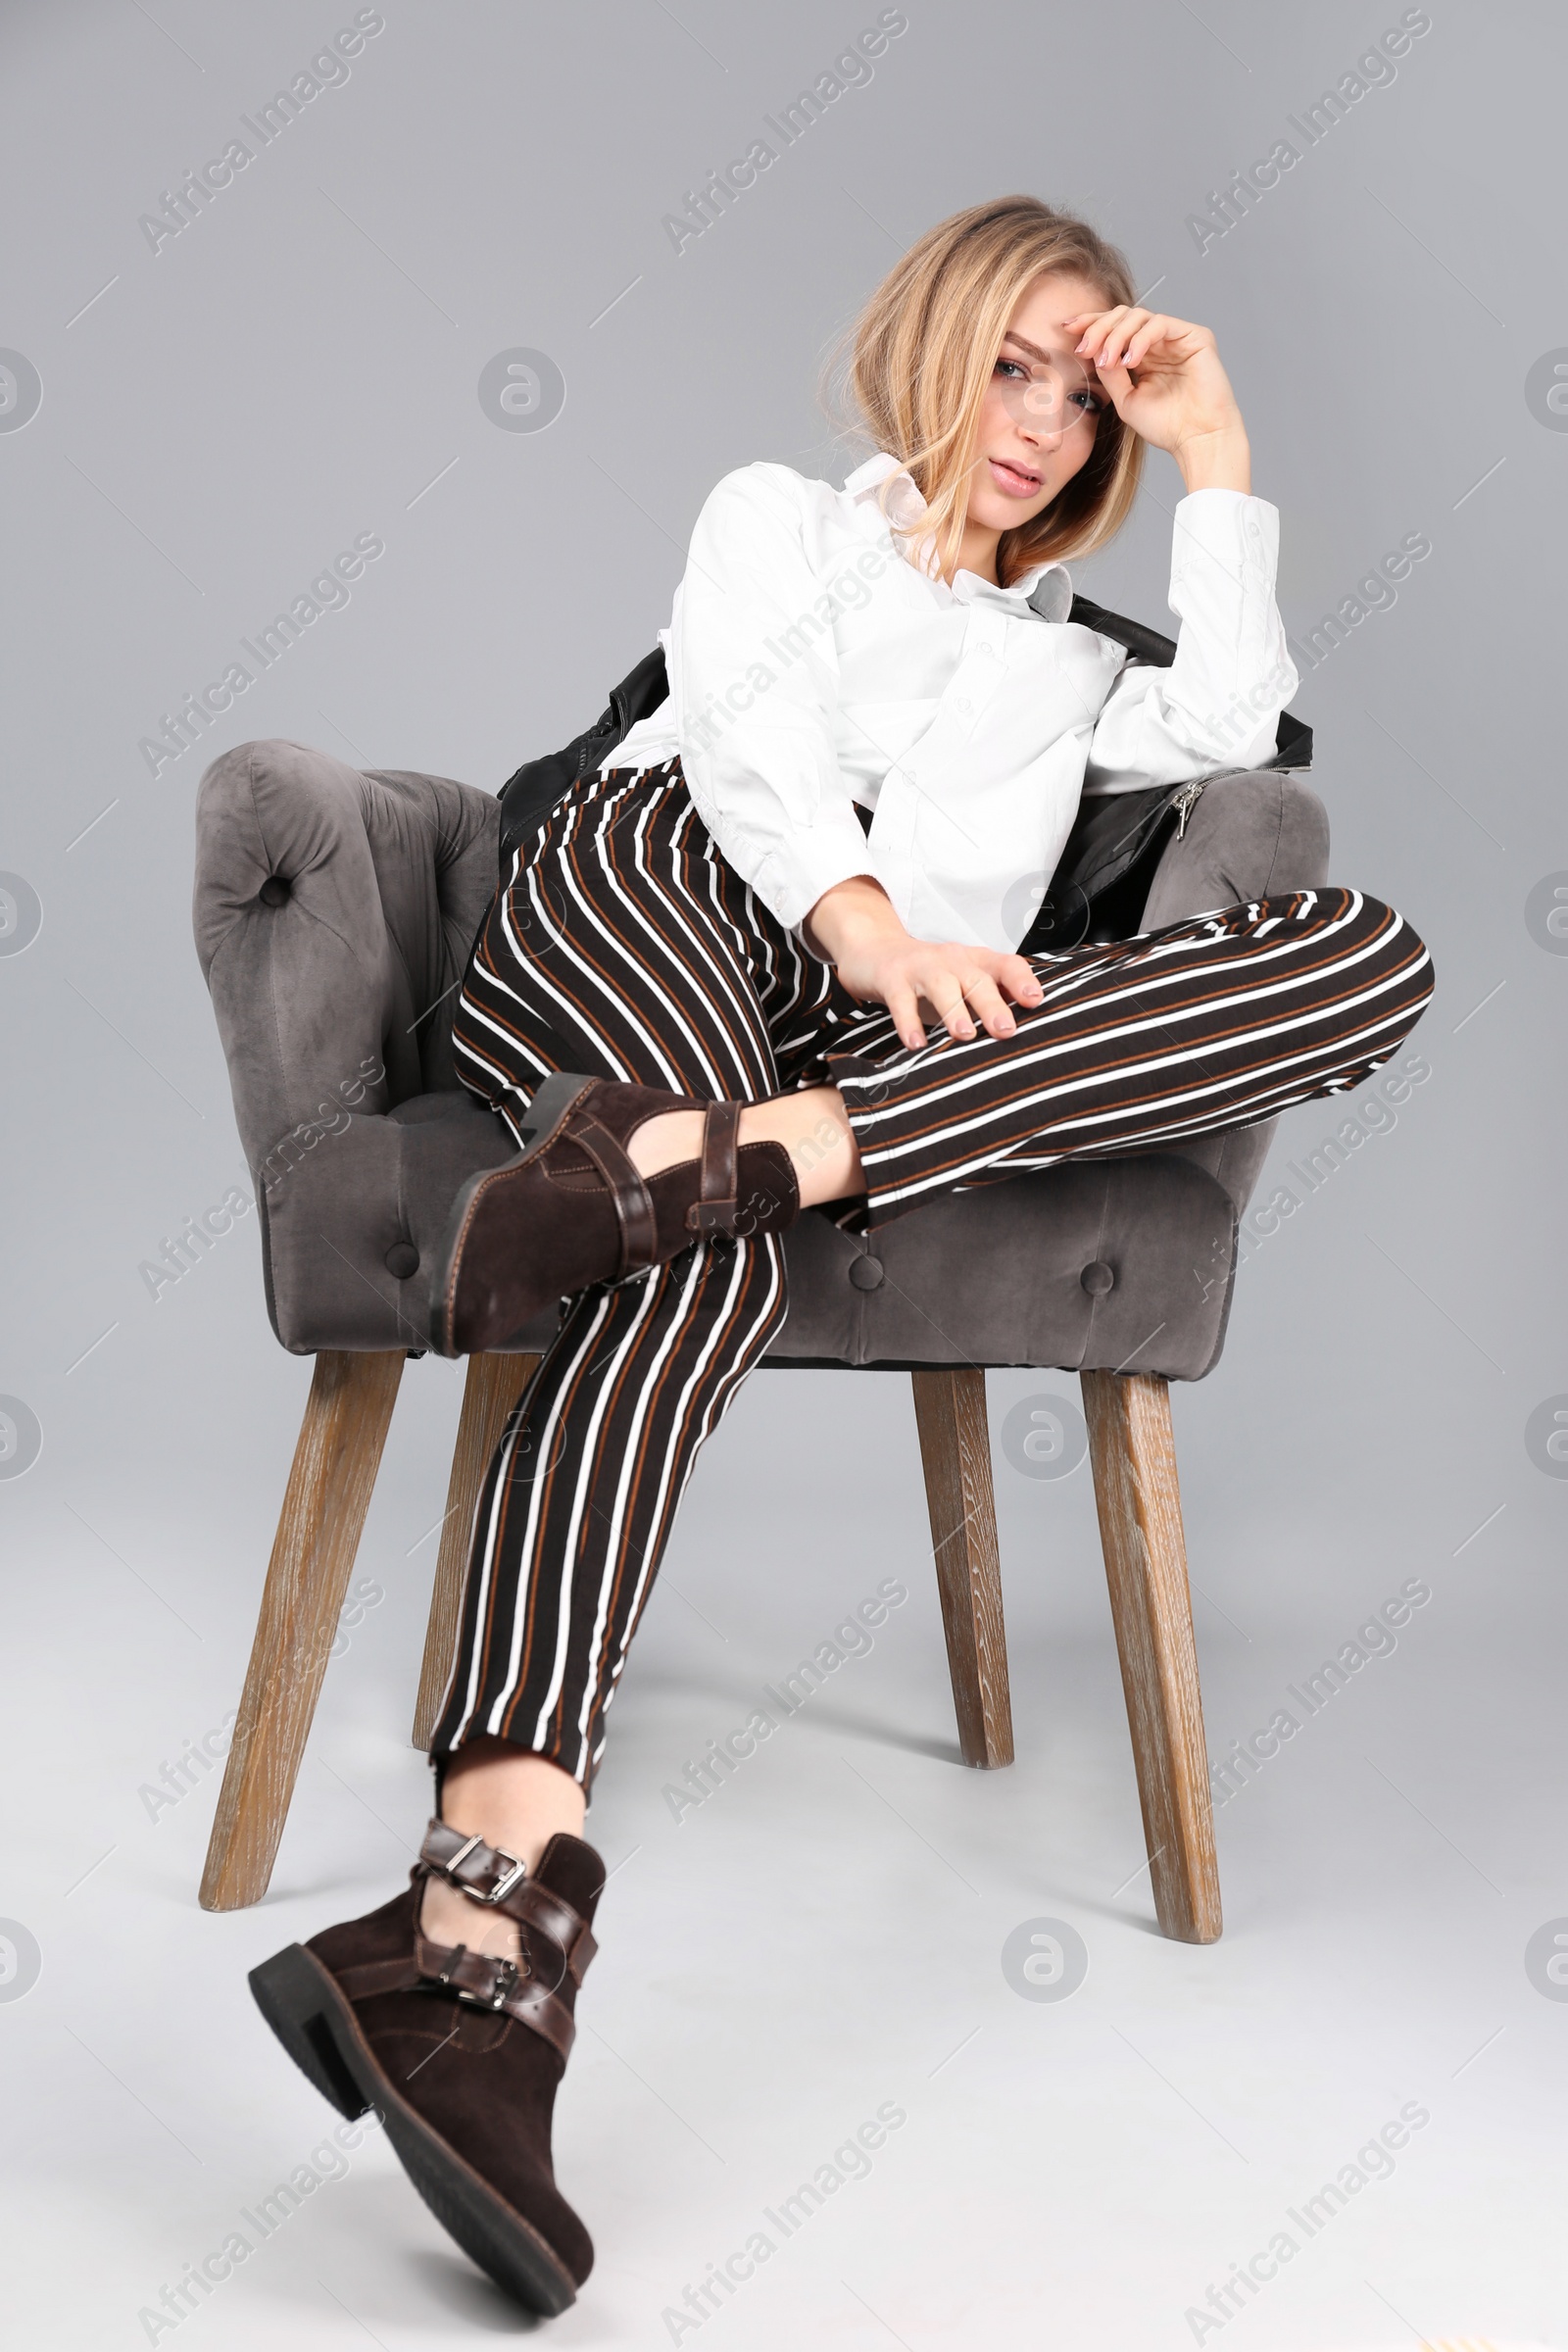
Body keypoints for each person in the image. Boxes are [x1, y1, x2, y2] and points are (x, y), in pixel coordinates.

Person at [248, 194, 1433, 2314]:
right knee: (710, 1129)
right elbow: (753, 754)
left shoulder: (1088, 666)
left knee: (1363, 954)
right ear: (934, 345)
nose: (1042, 419)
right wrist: (874, 931)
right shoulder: (776, 523)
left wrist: (1221, 454)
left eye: (1087, 390)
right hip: (648, 900)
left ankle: (714, 1175)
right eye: (1012, 361)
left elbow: (1241, 749)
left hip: (827, 1063)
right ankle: (487, 1916)